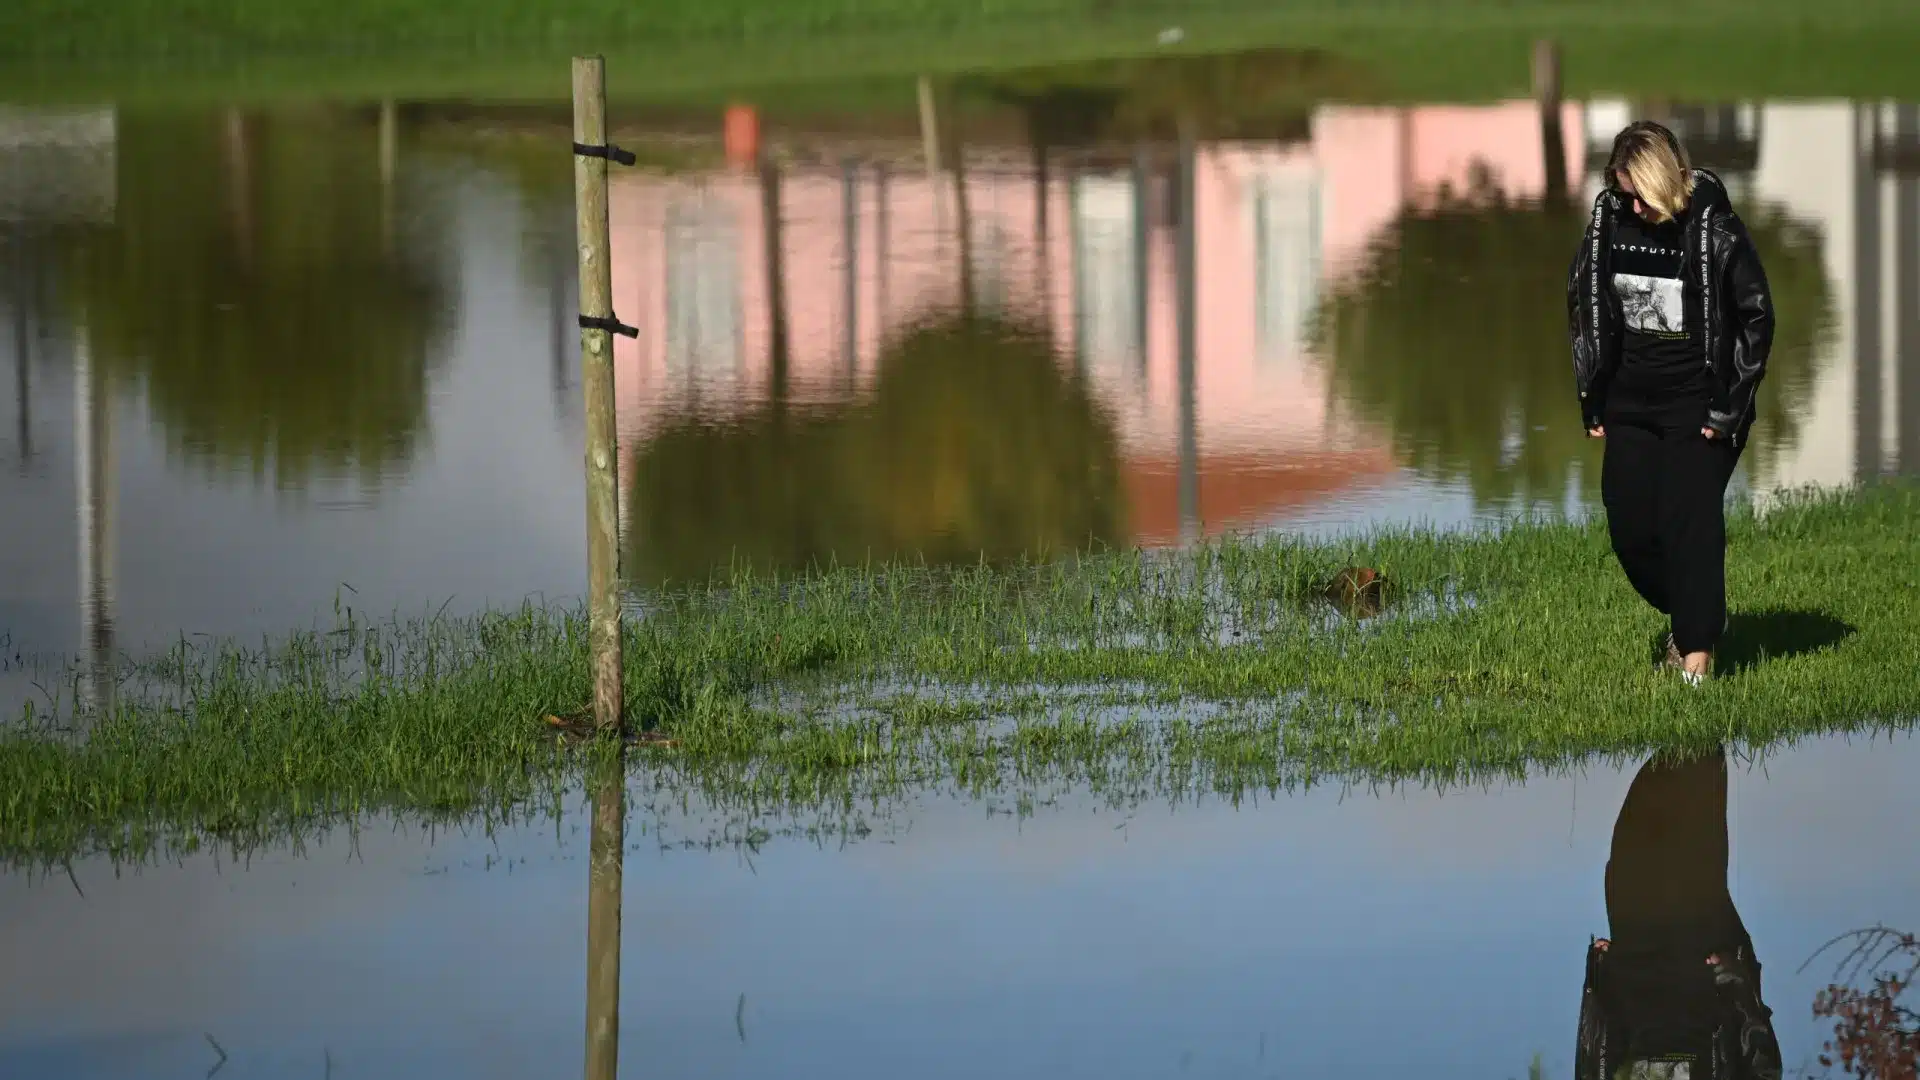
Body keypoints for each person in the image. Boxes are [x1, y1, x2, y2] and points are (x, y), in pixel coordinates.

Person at [1566, 121, 1776, 686]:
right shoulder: (1608, 221)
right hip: (1630, 404)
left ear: (1666, 182)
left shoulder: (1713, 226)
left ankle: (1695, 659)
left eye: (1641, 194)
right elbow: (1583, 302)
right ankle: (1702, 610)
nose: (1632, 205)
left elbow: (1757, 316)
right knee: (1631, 532)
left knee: (1689, 524)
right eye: (1624, 191)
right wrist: (1594, 399)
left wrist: (1729, 408)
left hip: (1699, 407)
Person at [1575, 748, 1782, 1079]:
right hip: (1699, 971)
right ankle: (1702, 725)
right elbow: (1764, 1067)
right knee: (1693, 830)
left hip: (1633, 968)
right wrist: (1737, 983)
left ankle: (1682, 723)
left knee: (1634, 833)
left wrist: (1597, 981)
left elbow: (1590, 1067)